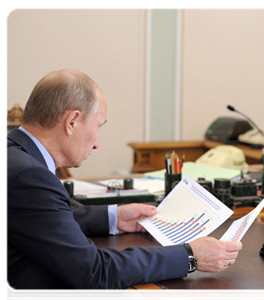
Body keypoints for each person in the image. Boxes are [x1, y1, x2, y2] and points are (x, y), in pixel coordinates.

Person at [5, 69, 242, 300]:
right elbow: (95, 273)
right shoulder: (29, 176)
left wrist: (113, 217)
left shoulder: (14, 156)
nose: (97, 143)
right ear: (72, 121)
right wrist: (190, 255)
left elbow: (42, 219)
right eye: (98, 126)